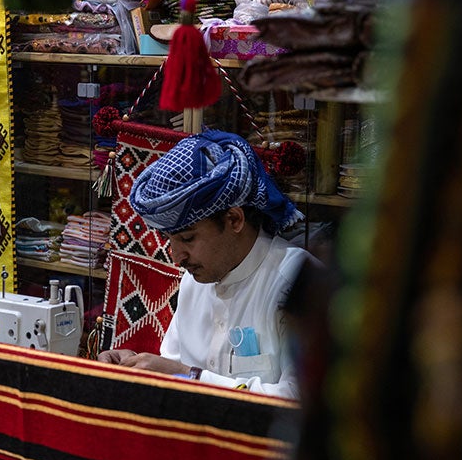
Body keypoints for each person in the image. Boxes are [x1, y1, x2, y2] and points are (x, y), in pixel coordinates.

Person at [98, 130, 312, 399]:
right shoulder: (194, 280)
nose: (177, 257)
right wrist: (138, 365)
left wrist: (192, 377)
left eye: (187, 238)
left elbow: (302, 401)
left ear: (234, 220)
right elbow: (173, 364)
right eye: (169, 239)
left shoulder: (297, 282)